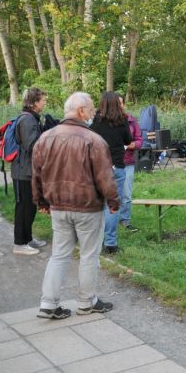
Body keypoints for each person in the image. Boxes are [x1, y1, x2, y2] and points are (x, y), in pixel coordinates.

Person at [32, 92, 119, 319]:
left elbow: (37, 175)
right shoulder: (94, 140)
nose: (93, 115)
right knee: (89, 255)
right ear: (81, 111)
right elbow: (105, 178)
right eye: (91, 110)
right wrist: (113, 201)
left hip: (58, 207)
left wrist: (41, 201)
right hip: (87, 207)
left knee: (59, 255)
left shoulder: (45, 138)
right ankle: (87, 301)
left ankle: (48, 304)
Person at [91, 92, 133, 255]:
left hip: (98, 168)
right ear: (117, 104)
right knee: (113, 206)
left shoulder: (96, 122)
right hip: (117, 167)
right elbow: (128, 141)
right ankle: (110, 243)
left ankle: (96, 239)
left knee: (98, 205)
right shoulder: (122, 121)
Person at [11, 88, 48, 255]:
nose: (44, 102)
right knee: (23, 207)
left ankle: (28, 238)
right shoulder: (27, 120)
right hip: (22, 172)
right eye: (42, 100)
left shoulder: (32, 118)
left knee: (31, 207)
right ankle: (19, 244)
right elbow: (32, 146)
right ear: (34, 103)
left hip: (29, 171)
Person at [119, 96, 143, 232]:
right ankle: (110, 220)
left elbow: (140, 140)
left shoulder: (132, 121)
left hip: (127, 162)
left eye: (120, 103)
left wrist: (131, 145)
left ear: (124, 105)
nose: (118, 106)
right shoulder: (105, 122)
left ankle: (125, 221)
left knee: (126, 194)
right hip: (110, 163)